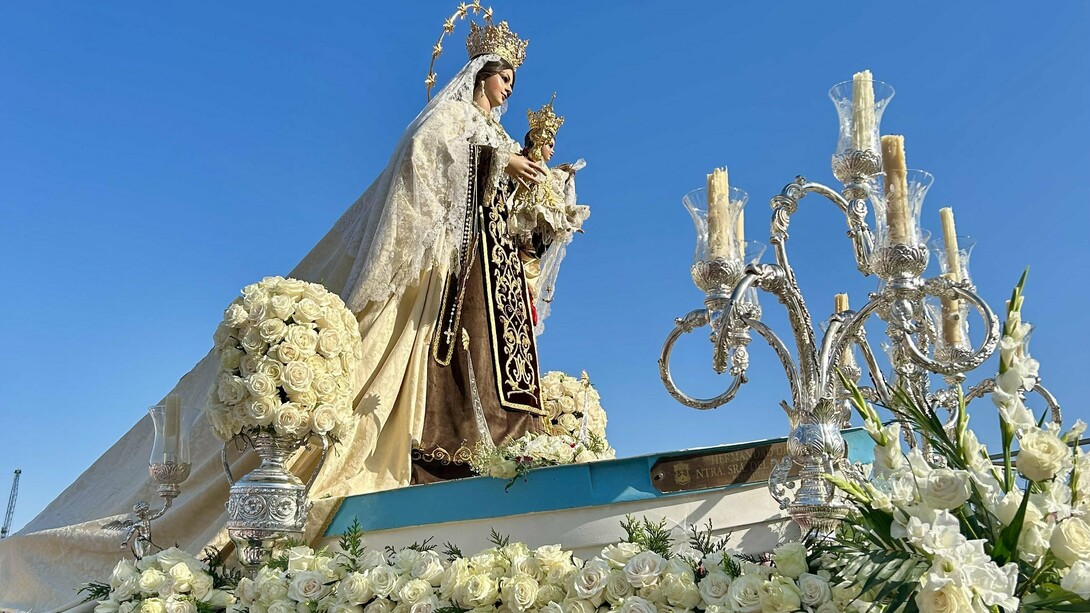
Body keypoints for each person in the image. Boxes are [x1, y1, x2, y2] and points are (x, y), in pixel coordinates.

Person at [0, 14, 546, 610]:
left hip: (466, 289)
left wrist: (535, 187)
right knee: (383, 369)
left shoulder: (494, 132)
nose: (508, 90)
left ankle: (460, 450)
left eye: (513, 82)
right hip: (427, 280)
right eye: (504, 79)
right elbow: (421, 151)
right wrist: (492, 159)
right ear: (480, 75)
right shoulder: (458, 120)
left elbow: (499, 216)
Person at [507, 96, 590, 335]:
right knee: (524, 274)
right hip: (520, 231)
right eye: (549, 144)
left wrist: (568, 220)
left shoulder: (553, 176)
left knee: (531, 276)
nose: (553, 149)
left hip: (537, 238)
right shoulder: (521, 162)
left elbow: (558, 208)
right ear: (537, 140)